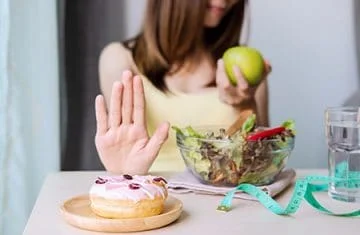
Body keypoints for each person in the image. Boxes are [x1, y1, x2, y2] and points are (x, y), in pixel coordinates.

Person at [95, 0, 271, 174]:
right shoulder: (120, 59)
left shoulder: (245, 72)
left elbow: (263, 166)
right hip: (153, 197)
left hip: (226, 200)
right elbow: (122, 156)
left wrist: (245, 105)